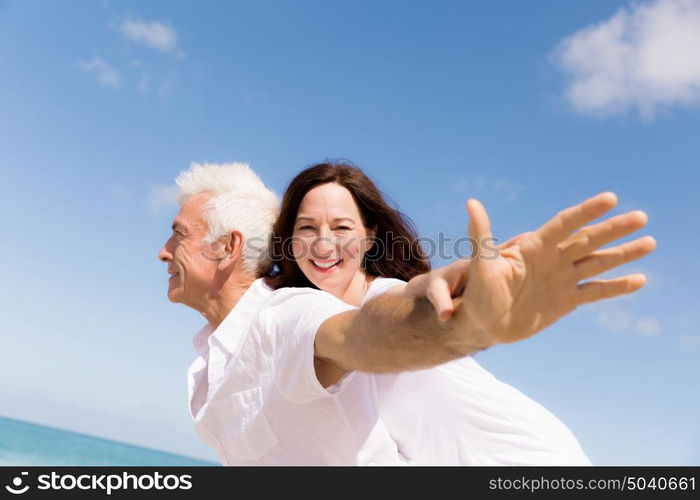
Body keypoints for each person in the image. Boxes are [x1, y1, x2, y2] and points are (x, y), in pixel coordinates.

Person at [159, 161, 655, 465]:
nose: (324, 242)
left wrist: (470, 316)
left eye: (341, 226)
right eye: (307, 227)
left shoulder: (379, 297)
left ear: (371, 237)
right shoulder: (292, 320)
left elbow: (400, 315)